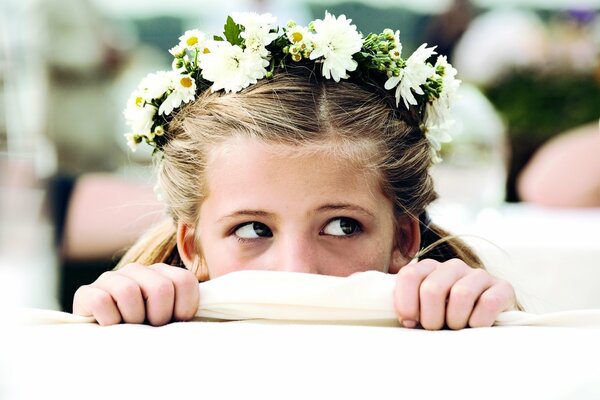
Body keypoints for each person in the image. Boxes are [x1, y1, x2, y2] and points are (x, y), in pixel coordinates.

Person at [73, 11, 517, 330]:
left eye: (343, 227)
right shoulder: (150, 344)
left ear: (403, 238)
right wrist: (113, 324)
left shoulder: (448, 343)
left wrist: (490, 319)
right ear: (193, 248)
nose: (296, 270)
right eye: (252, 229)